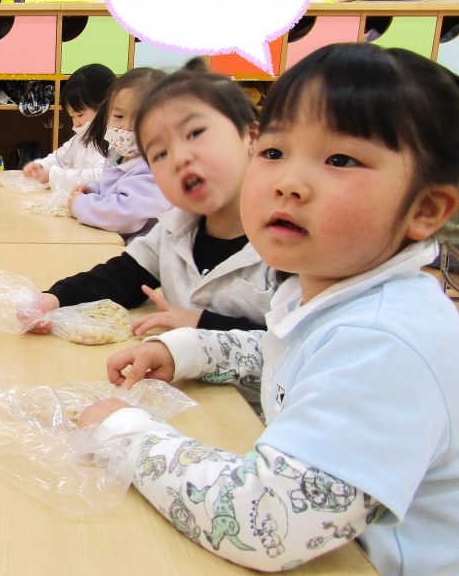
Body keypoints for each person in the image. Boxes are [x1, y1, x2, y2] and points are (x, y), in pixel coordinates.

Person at [80, 43, 459, 576]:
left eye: (340, 159)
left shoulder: (385, 340)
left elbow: (264, 521)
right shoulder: (333, 294)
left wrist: (123, 431)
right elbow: (289, 357)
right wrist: (188, 351)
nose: (288, 183)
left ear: (425, 209)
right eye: (274, 152)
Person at [31, 62, 273, 404]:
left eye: (196, 134)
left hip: (254, 415)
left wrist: (200, 323)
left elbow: (294, 344)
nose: (180, 159)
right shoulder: (179, 225)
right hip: (189, 395)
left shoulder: (290, 246)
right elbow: (123, 275)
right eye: (159, 153)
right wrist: (54, 298)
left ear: (251, 137)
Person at [66, 67, 172, 240]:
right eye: (118, 116)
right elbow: (117, 190)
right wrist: (95, 190)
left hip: (149, 252)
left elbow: (127, 214)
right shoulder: (118, 153)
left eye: (140, 118)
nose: (127, 127)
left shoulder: (156, 166)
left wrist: (81, 205)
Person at [23, 63, 115, 192]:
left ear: (105, 107)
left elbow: (102, 177)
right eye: (72, 117)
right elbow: (59, 159)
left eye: (80, 115)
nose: (75, 124)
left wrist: (53, 176)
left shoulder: (117, 142)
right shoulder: (82, 138)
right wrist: (40, 167)